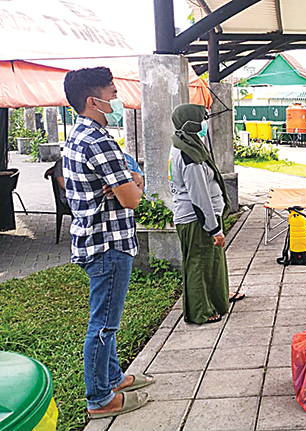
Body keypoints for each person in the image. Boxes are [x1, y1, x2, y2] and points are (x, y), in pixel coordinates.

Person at [62, 66, 152, 418]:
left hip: (91, 239)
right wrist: (136, 180)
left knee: (106, 319)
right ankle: (100, 398)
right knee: (103, 324)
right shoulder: (98, 141)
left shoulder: (78, 136)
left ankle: (113, 377)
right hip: (108, 244)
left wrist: (128, 182)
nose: (115, 94)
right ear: (92, 99)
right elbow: (132, 198)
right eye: (110, 90)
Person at [169, 104, 243, 325]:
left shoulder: (187, 145)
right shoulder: (189, 155)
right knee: (199, 264)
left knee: (213, 262)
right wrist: (214, 229)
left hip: (204, 216)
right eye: (200, 120)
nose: (203, 125)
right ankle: (200, 311)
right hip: (197, 219)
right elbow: (199, 197)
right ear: (190, 123)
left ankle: (217, 299)